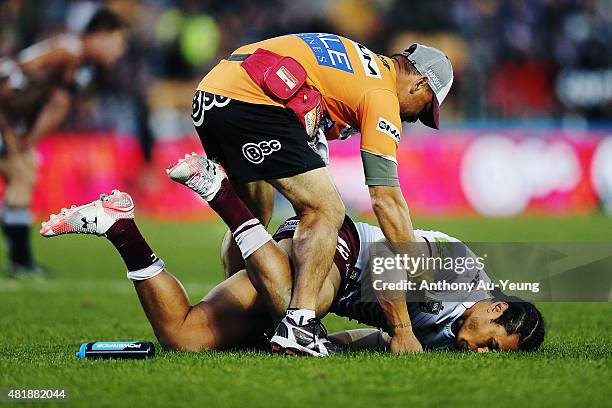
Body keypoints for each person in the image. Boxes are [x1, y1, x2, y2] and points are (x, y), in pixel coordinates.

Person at [39, 154, 544, 354]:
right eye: (491, 345)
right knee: (293, 308)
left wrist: (335, 343)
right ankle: (223, 195)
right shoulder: (460, 271)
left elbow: (371, 335)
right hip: (336, 249)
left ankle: (119, 226)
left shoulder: (451, 337)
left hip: (323, 287)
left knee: (185, 339)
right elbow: (391, 260)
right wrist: (405, 333)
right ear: (496, 308)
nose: (478, 353)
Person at [192, 33, 453, 354]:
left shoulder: (358, 63)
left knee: (253, 216)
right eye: (424, 109)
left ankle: (238, 319)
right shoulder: (382, 95)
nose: (413, 118)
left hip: (213, 93)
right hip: (255, 101)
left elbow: (315, 116)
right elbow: (385, 198)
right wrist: (417, 268)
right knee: (326, 209)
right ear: (420, 84)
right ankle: (300, 325)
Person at [0, 8, 127, 277]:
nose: (120, 50)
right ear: (100, 35)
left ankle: (20, 260)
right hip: (5, 118)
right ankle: (20, 262)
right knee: (23, 174)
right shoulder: (67, 52)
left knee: (24, 175)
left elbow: (55, 103)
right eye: (118, 41)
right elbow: (10, 82)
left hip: (12, 122)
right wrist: (13, 137)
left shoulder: (79, 65)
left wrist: (26, 139)